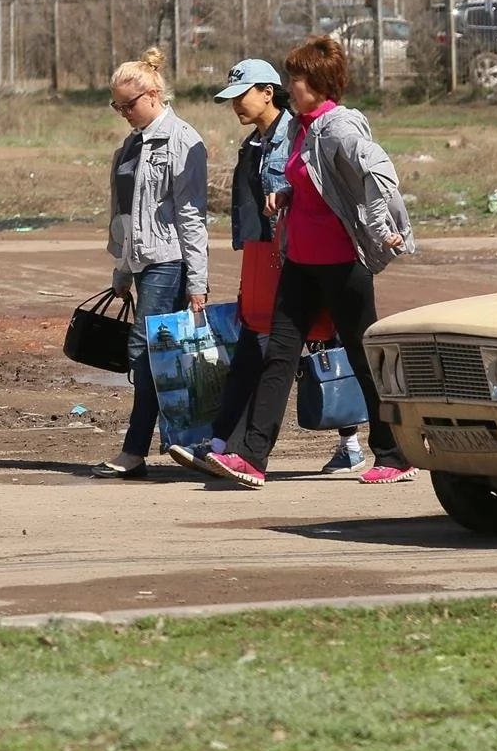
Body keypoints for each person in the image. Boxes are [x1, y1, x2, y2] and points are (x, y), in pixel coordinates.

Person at [204, 36, 418, 489]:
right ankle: (252, 457)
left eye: (297, 79)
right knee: (279, 356)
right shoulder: (302, 126)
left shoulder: (339, 127)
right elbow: (314, 180)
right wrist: (287, 193)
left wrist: (383, 226)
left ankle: (394, 455)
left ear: (318, 84)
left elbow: (379, 174)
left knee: (362, 357)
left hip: (342, 265)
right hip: (300, 263)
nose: (290, 86)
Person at [165, 59, 365, 476]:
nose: (236, 105)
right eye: (232, 98)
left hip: (299, 255)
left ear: (268, 92)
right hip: (265, 257)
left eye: (242, 96)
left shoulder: (296, 135)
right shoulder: (253, 143)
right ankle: (225, 443)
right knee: (262, 347)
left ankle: (351, 442)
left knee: (324, 346)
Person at [93, 48, 208, 479]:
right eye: (117, 106)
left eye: (129, 104)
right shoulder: (131, 144)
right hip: (140, 262)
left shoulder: (182, 140)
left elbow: (191, 216)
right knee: (166, 354)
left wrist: (197, 281)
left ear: (154, 94)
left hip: (169, 260)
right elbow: (125, 214)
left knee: (145, 351)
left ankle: (135, 450)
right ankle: (190, 441)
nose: (124, 113)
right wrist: (123, 269)